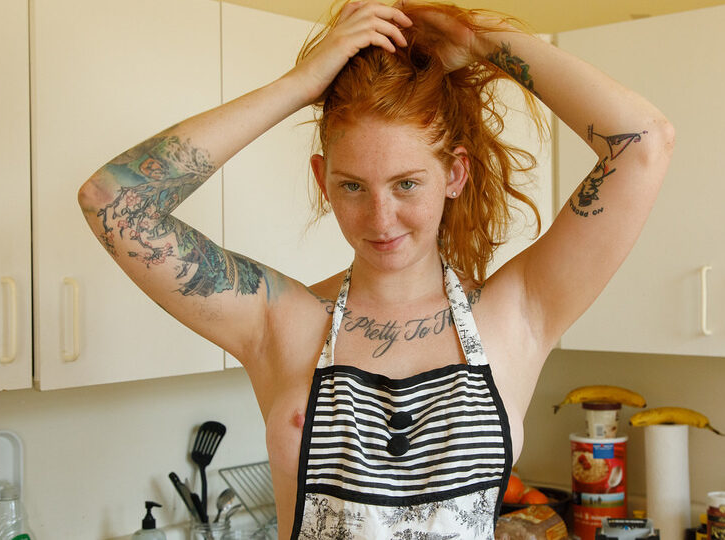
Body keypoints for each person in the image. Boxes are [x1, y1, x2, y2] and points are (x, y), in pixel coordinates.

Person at [77, 1, 674, 538]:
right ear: (322, 180)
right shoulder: (280, 322)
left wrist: (479, 38)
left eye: (407, 183)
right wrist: (301, 83)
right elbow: (112, 200)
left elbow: (644, 143)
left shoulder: (515, 314)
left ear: (455, 174)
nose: (381, 218)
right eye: (352, 186)